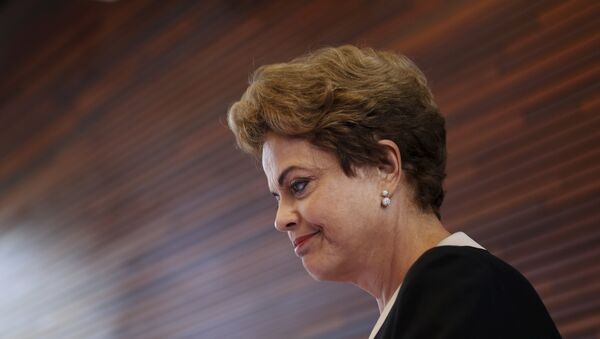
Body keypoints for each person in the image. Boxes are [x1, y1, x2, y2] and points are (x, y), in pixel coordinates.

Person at [227, 45, 561, 338]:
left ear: (386, 167)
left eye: (299, 185)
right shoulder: (424, 302)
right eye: (277, 196)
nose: (280, 219)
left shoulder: (462, 291)